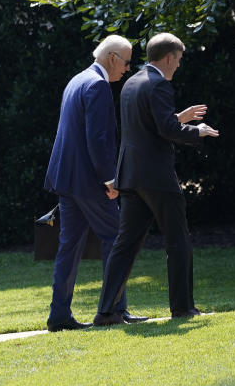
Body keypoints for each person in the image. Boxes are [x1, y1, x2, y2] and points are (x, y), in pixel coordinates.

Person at [94, 32, 219, 325]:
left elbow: (149, 126)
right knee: (178, 241)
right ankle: (183, 308)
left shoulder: (131, 83)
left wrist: (181, 117)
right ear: (169, 57)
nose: (178, 66)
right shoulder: (160, 84)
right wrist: (196, 131)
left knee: (125, 245)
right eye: (178, 60)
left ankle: (106, 311)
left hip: (131, 177)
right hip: (157, 178)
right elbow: (165, 130)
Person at [43, 35, 149, 331]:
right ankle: (114, 310)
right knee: (118, 241)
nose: (127, 69)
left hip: (67, 180)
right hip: (90, 182)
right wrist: (111, 179)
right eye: (127, 62)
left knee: (69, 247)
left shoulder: (78, 79)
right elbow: (97, 139)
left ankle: (59, 315)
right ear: (113, 58)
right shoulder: (98, 85)